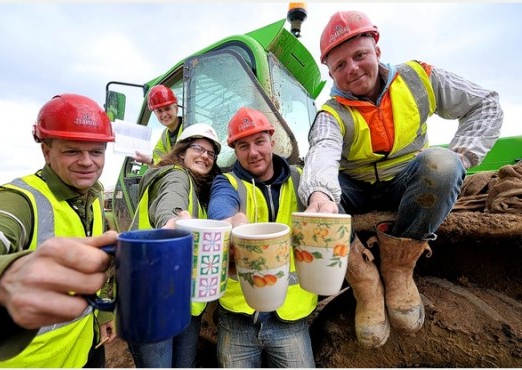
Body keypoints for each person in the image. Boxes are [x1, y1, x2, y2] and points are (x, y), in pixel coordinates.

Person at [298, 10, 504, 348]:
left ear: (376, 50)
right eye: (339, 65)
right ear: (331, 72)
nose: (352, 68)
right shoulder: (331, 113)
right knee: (307, 188)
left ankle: (397, 270)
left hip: (406, 181)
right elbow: (322, 152)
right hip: (355, 188)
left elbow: (486, 104)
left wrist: (463, 155)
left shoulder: (418, 78)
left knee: (443, 163)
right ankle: (365, 283)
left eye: (359, 55)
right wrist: (320, 194)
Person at [0, 94, 119, 367]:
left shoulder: (94, 199)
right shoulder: (17, 201)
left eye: (96, 151)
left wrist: (103, 317)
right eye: (72, 151)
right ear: (47, 151)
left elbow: (96, 269)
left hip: (82, 351)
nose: (88, 161)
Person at [208, 107, 318, 368]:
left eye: (259, 141)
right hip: (239, 317)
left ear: (273, 140)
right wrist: (229, 221)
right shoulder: (228, 182)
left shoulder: (301, 180)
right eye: (243, 146)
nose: (253, 152)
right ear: (235, 151)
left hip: (290, 317)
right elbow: (221, 207)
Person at [128, 123, 222, 368]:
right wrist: (174, 219)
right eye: (199, 149)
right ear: (181, 152)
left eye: (211, 154)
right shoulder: (176, 175)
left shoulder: (197, 190)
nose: (205, 156)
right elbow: (171, 203)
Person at [134, 84, 184, 167]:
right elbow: (158, 163)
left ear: (176, 108)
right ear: (155, 114)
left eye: (167, 108)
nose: (164, 115)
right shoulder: (164, 138)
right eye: (159, 111)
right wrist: (150, 161)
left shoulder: (190, 129)